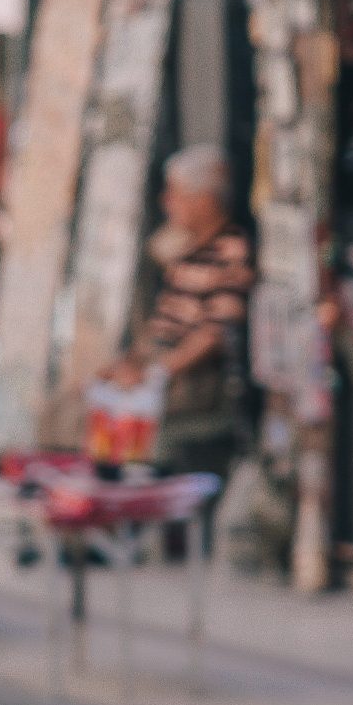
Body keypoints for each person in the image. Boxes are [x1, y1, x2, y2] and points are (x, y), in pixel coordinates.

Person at [107, 144, 255, 474]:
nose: (166, 203)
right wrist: (131, 364)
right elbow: (159, 320)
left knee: (117, 424)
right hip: (162, 366)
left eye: (175, 194)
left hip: (194, 380)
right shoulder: (183, 247)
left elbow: (215, 333)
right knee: (82, 404)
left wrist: (155, 374)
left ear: (204, 200)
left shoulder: (231, 249)